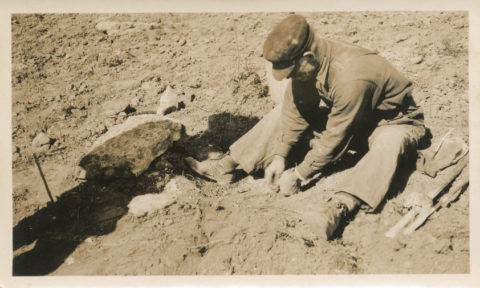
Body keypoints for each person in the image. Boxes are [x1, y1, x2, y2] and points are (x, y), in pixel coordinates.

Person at [185, 14, 428, 240]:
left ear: (307, 58)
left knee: (389, 142)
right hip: (352, 120)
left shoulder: (351, 75)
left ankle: (339, 207)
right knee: (281, 111)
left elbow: (337, 136)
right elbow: (295, 110)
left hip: (392, 123)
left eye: (294, 73)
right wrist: (281, 155)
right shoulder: (313, 62)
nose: (293, 78)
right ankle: (229, 166)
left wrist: (300, 174)